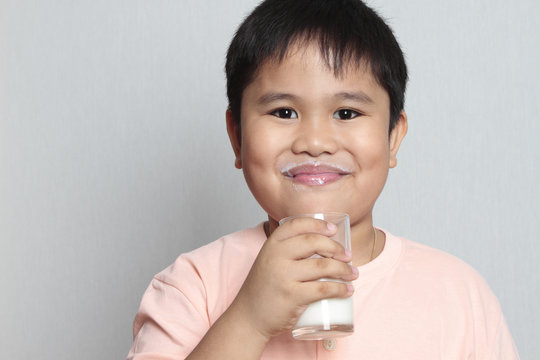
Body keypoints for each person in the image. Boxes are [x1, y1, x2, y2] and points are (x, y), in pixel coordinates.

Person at [127, 0, 520, 358]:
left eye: (346, 113)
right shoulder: (191, 286)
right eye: (283, 112)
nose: (314, 143)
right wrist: (248, 319)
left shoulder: (458, 294)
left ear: (393, 137)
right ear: (237, 138)